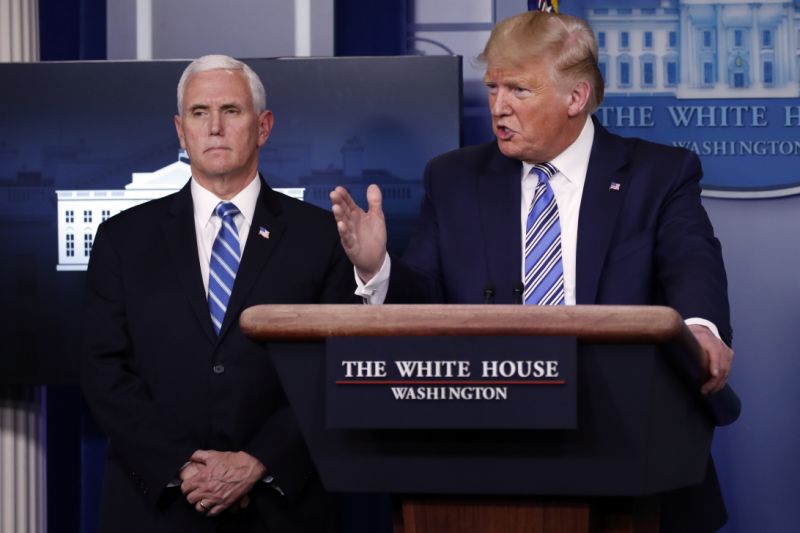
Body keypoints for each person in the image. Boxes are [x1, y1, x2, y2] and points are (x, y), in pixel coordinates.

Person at [330, 11, 734, 533]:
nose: (499, 107)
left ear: (576, 97)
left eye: (519, 90)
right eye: (493, 87)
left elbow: (692, 261)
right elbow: (424, 299)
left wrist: (700, 329)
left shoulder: (659, 174)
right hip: (482, 454)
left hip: (628, 446)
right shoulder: (454, 178)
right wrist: (377, 268)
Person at [82, 54, 351, 532]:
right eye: (199, 113)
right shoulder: (123, 239)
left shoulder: (321, 236)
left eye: (231, 111)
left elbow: (334, 368)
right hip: (157, 506)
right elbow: (104, 371)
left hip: (282, 509)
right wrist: (183, 467)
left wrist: (258, 461)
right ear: (181, 131)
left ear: (263, 126)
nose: (214, 128)